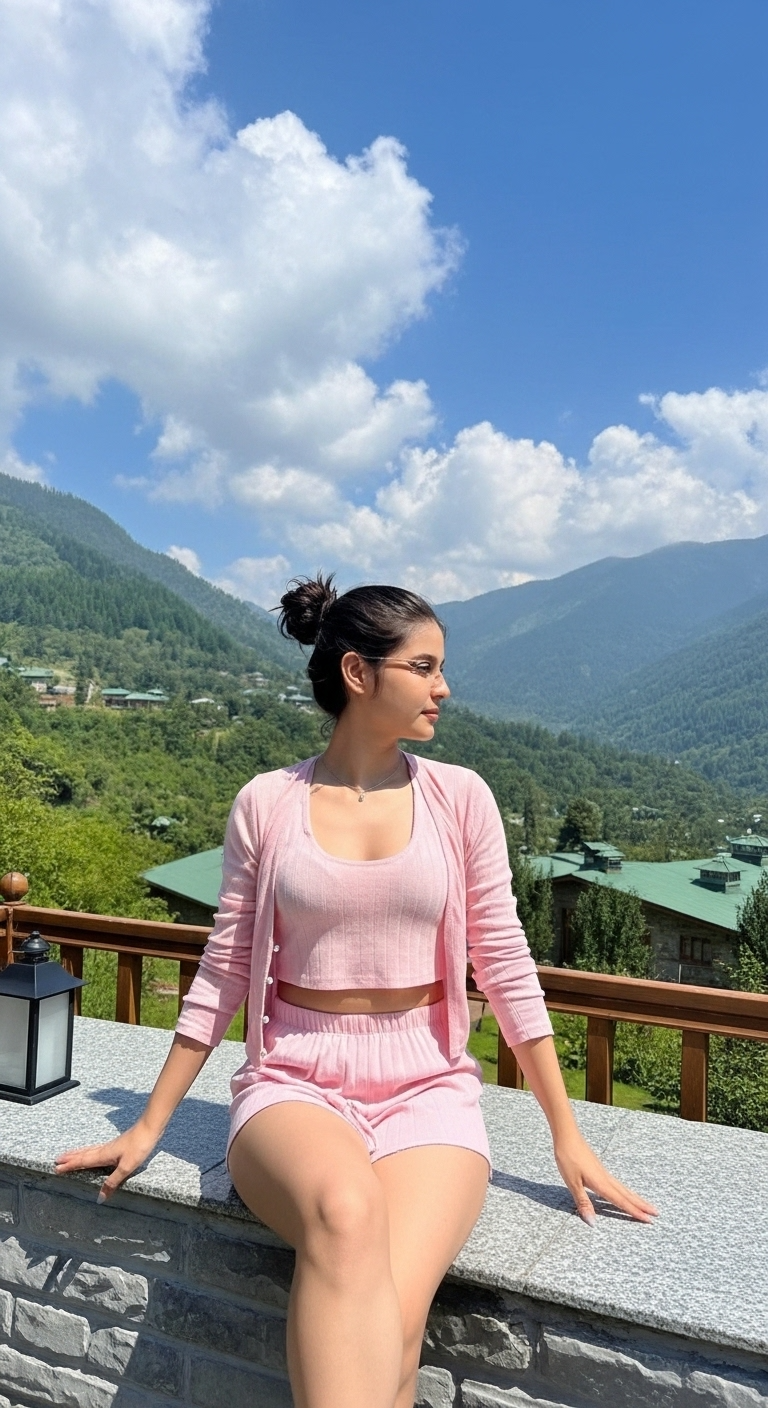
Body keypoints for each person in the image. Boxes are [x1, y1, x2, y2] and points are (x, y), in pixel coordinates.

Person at [55, 574, 657, 1408]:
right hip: (295, 1077)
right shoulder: (268, 804)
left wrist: (568, 1133)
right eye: (425, 666)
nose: (444, 687)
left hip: (430, 1086)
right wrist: (149, 1125)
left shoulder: (462, 800)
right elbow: (224, 971)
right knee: (343, 1213)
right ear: (358, 674)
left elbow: (507, 966)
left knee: (395, 1326)